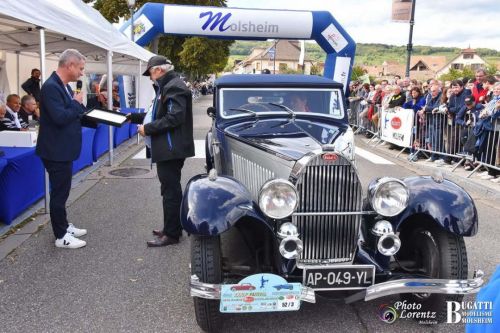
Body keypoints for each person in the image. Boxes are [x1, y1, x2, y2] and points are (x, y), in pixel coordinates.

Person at [128, 55, 195, 247]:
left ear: (158, 70)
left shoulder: (173, 86)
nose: (150, 77)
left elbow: (174, 117)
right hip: (168, 147)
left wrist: (147, 129)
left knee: (170, 191)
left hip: (171, 148)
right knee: (169, 189)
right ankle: (171, 228)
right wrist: (133, 117)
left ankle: (172, 234)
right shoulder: (167, 86)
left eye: (150, 72)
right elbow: (157, 114)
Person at [35, 49, 88, 249]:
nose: (81, 73)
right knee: (59, 194)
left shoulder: (63, 86)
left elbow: (72, 113)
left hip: (62, 149)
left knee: (63, 191)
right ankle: (61, 236)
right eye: (80, 68)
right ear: (70, 65)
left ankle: (64, 226)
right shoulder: (50, 87)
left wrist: (82, 109)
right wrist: (76, 104)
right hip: (55, 151)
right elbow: (60, 117)